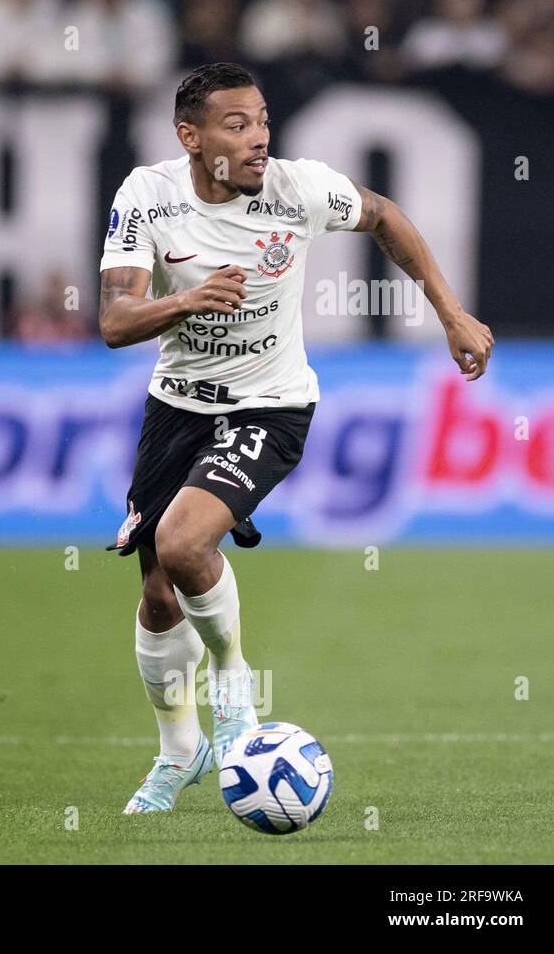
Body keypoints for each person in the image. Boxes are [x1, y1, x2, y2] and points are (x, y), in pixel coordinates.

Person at [97, 62, 493, 813]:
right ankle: (179, 752)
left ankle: (236, 689)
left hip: (270, 405)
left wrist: (450, 313)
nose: (258, 141)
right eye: (237, 125)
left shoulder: (298, 188)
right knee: (156, 596)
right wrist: (186, 302)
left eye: (264, 121)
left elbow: (383, 215)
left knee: (185, 546)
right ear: (191, 136)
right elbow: (115, 321)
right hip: (176, 407)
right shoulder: (148, 196)